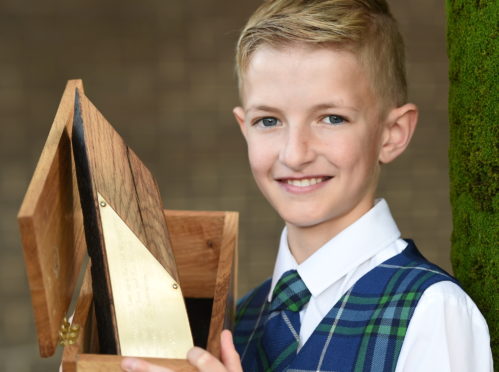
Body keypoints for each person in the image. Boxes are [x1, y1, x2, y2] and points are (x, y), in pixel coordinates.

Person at [121, 0, 492, 371]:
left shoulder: (432, 310)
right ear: (244, 129)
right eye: (268, 121)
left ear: (391, 134)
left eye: (332, 118)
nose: (295, 154)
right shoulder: (234, 323)